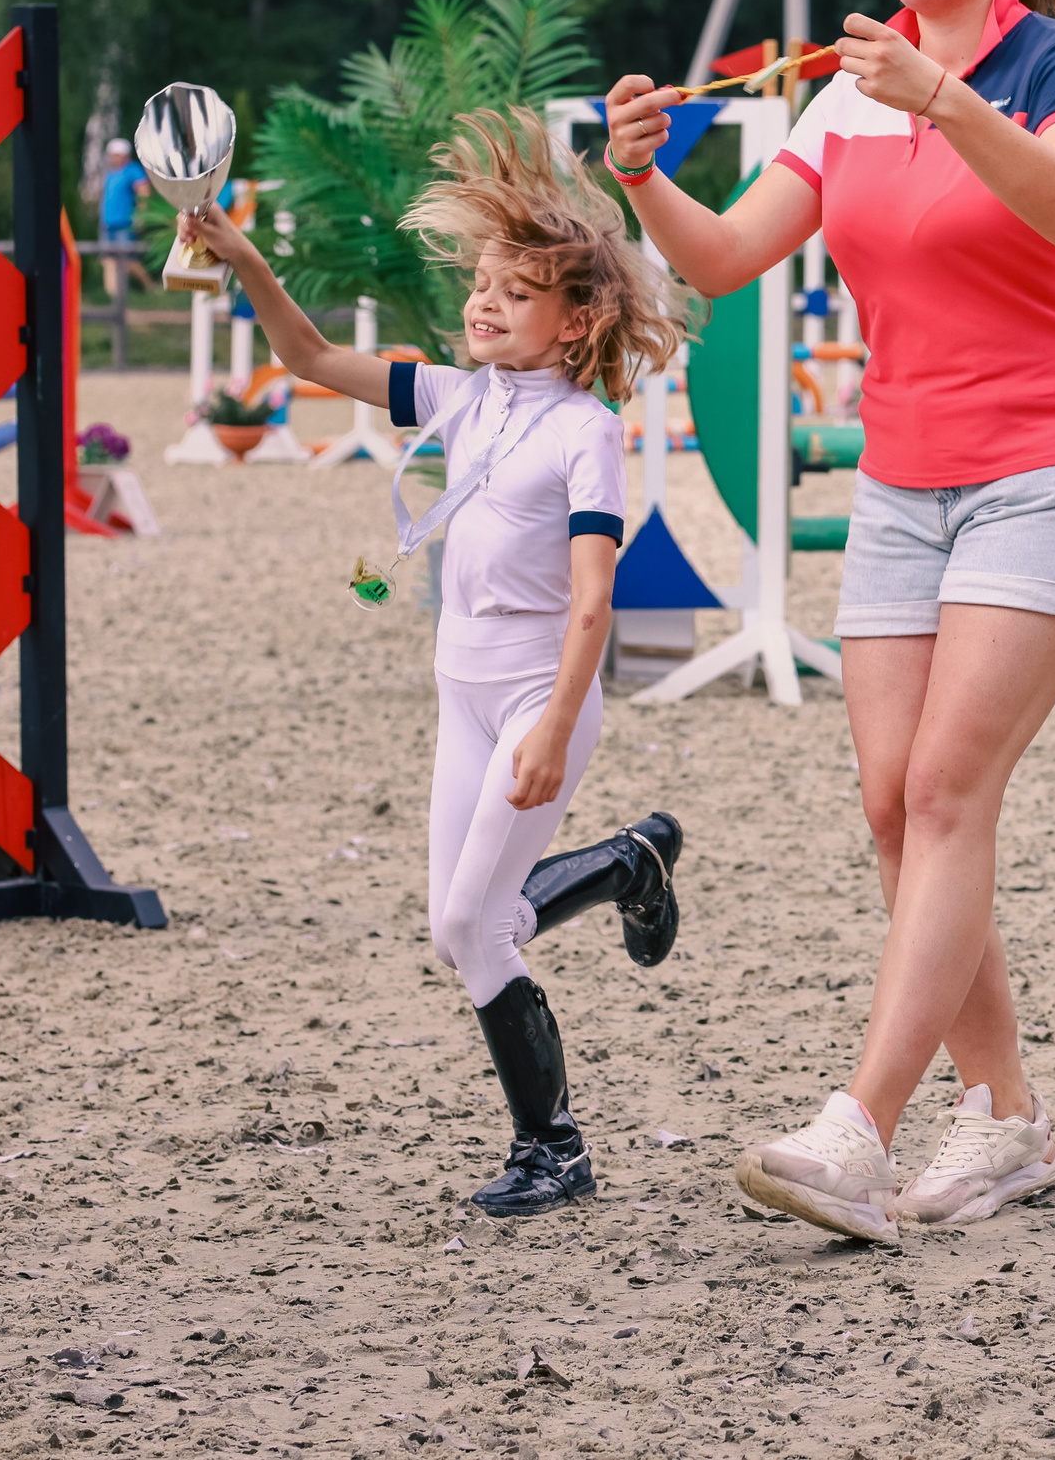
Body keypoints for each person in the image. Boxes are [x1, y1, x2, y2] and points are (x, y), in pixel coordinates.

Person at [599, 0, 1055, 1246]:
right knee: (895, 807)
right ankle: (1008, 1113)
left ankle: (858, 1128)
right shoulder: (846, 96)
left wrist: (943, 98)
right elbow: (727, 257)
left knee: (952, 792)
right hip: (907, 482)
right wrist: (644, 176)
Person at [184, 109, 687, 1218]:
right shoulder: (457, 397)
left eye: (517, 292)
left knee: (473, 927)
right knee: (459, 926)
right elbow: (309, 358)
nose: (484, 304)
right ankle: (627, 866)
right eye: (483, 285)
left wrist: (554, 726)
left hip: (538, 696)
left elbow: (594, 600)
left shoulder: (585, 429)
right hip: (460, 694)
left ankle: (554, 1150)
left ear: (577, 319)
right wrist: (246, 256)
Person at [96, 138, 156, 305]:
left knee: (128, 261)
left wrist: (141, 215)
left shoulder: (132, 171)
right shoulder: (110, 173)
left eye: (115, 155)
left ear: (124, 155)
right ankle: (113, 298)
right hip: (108, 224)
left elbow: (144, 191)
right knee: (108, 260)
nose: (112, 158)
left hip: (125, 223)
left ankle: (150, 287)